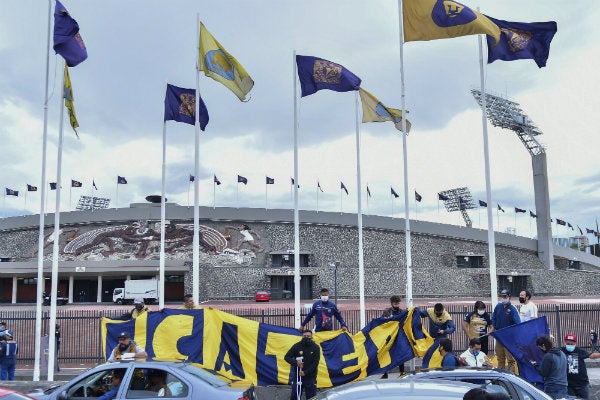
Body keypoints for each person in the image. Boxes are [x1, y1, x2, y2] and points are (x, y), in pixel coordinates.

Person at [560, 333, 600, 399]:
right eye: (568, 344)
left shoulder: (579, 351)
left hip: (582, 384)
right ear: (565, 343)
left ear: (575, 343)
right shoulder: (562, 351)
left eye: (571, 344)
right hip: (569, 385)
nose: (569, 345)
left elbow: (591, 356)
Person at [284, 329, 321, 400]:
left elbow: (315, 363)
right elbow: (287, 357)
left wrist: (305, 372)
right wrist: (296, 363)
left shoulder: (316, 347)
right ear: (302, 336)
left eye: (308, 336)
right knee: (295, 396)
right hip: (298, 377)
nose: (306, 337)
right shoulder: (297, 346)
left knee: (312, 397)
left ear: (311, 337)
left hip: (310, 377)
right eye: (305, 336)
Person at [490, 289, 520, 371]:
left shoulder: (513, 309)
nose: (503, 298)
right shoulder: (498, 306)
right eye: (501, 296)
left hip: (508, 338)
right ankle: (500, 376)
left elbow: (517, 324)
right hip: (499, 336)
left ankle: (511, 376)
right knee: (500, 357)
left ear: (509, 297)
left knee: (510, 359)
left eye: (505, 296)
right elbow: (493, 318)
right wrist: (492, 327)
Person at [381, 295, 405, 374]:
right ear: (391, 304)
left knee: (400, 355)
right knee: (387, 355)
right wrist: (387, 319)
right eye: (395, 304)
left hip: (399, 336)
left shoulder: (401, 312)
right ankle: (385, 373)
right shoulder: (387, 312)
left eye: (398, 304)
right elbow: (381, 322)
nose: (397, 305)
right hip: (390, 337)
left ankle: (402, 372)